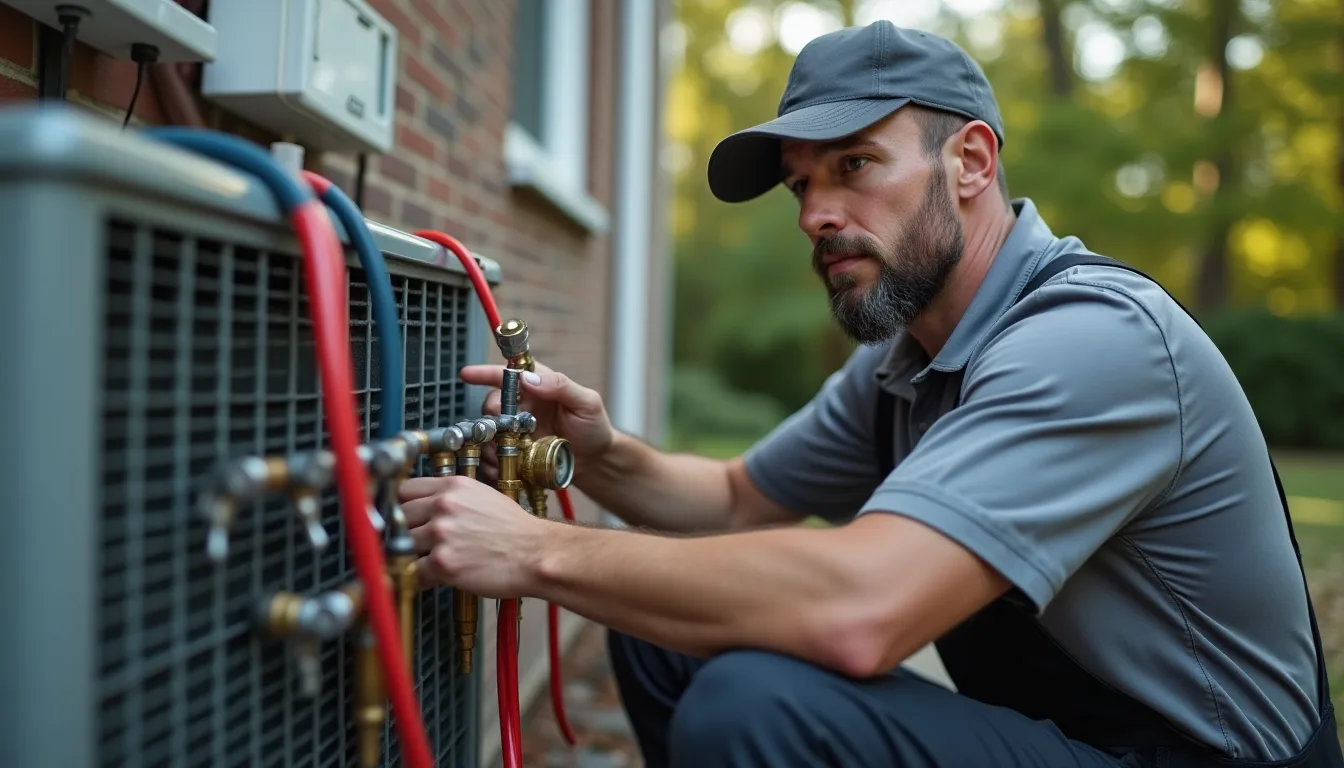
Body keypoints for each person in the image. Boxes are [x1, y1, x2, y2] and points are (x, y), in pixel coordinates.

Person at [399, 20, 1343, 768]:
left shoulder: (1092, 341)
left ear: (970, 162)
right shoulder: (904, 365)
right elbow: (731, 500)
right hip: (1061, 737)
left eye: (853, 165)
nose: (816, 214)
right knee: (669, 643)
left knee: (756, 708)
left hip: (1197, 755)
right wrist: (600, 452)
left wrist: (532, 549)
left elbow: (860, 612)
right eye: (801, 186)